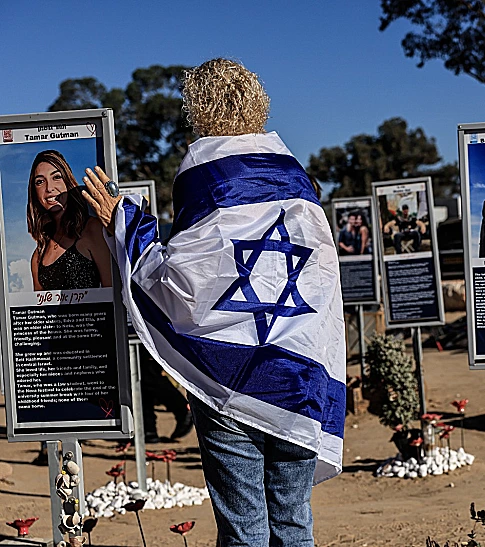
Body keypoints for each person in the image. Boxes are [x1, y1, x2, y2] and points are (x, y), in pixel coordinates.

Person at [81, 58, 345, 547]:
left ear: (196, 106)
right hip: (302, 373)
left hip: (230, 375)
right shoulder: (298, 181)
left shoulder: (206, 176)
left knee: (244, 529)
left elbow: (187, 277)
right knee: (293, 523)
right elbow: (320, 279)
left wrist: (125, 223)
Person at [27, 150, 112, 291]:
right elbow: (40, 311)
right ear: (34, 192)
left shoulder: (92, 229)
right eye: (40, 182)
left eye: (56, 177)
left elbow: (113, 295)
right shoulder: (38, 255)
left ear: (67, 182)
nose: (49, 188)